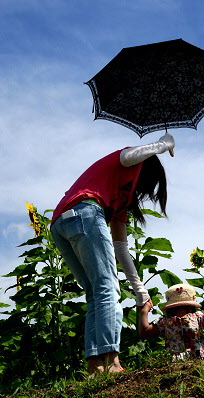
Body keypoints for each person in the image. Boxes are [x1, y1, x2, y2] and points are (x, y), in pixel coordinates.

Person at [50, 133, 175, 374]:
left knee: (96, 293)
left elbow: (121, 248)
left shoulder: (120, 199)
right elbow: (129, 155)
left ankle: (95, 365)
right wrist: (163, 145)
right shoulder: (129, 161)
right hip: (85, 211)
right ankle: (111, 361)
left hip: (61, 224)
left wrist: (141, 291)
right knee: (107, 289)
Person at [138, 284, 204, 360]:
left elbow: (145, 331)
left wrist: (144, 311)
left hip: (176, 360)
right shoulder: (197, 317)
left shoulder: (165, 321)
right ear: (191, 306)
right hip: (198, 358)